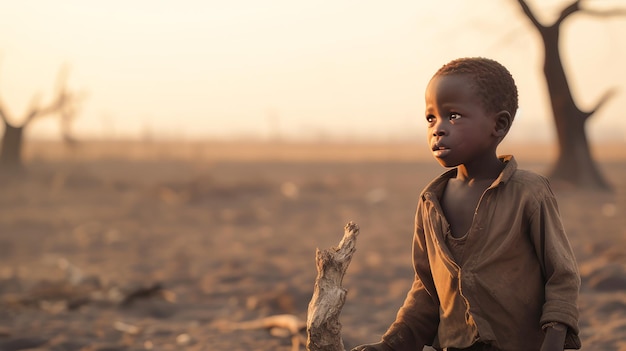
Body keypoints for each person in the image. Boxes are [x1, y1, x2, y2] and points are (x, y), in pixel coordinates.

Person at [351, 57, 581, 351]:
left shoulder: (529, 194)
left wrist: (554, 341)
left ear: (498, 125)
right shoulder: (430, 202)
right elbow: (427, 290)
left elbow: (562, 276)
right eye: (431, 118)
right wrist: (389, 345)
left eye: (454, 116)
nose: (438, 129)